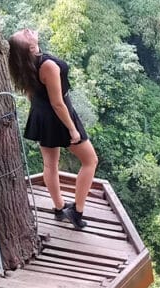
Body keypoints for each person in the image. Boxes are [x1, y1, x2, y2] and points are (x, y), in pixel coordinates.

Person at [7, 28, 97, 230]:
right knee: (90, 160)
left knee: (50, 164)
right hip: (58, 115)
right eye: (24, 34)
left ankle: (59, 208)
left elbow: (32, 93)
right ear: (29, 46)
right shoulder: (47, 66)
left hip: (41, 113)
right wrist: (72, 129)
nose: (28, 30)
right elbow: (58, 103)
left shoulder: (26, 64)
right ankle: (77, 210)